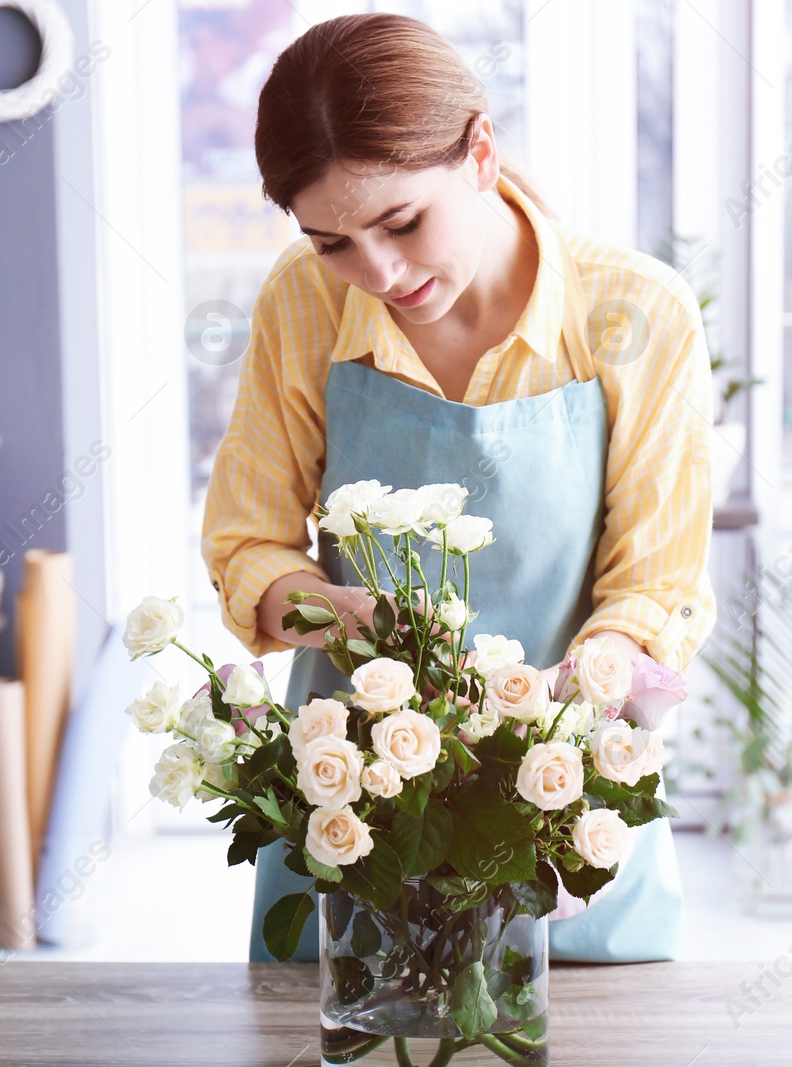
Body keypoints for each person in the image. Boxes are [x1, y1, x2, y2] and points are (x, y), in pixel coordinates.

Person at [201, 12, 717, 964]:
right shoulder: (300, 302)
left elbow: (658, 585)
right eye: (334, 242)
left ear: (481, 151)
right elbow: (246, 545)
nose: (380, 272)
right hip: (355, 820)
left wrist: (538, 730)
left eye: (402, 222)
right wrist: (344, 618)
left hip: (565, 816)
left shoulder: (636, 312)